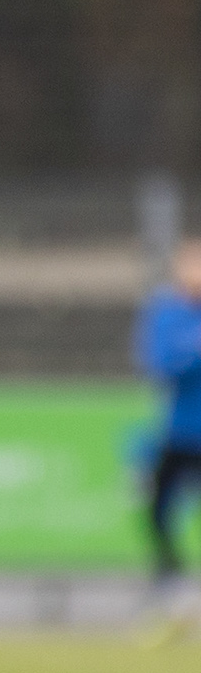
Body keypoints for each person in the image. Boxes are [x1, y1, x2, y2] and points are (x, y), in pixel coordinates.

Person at [135, 239, 201, 595]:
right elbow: (159, 364)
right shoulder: (167, 313)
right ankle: (169, 580)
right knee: (158, 508)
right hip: (180, 432)